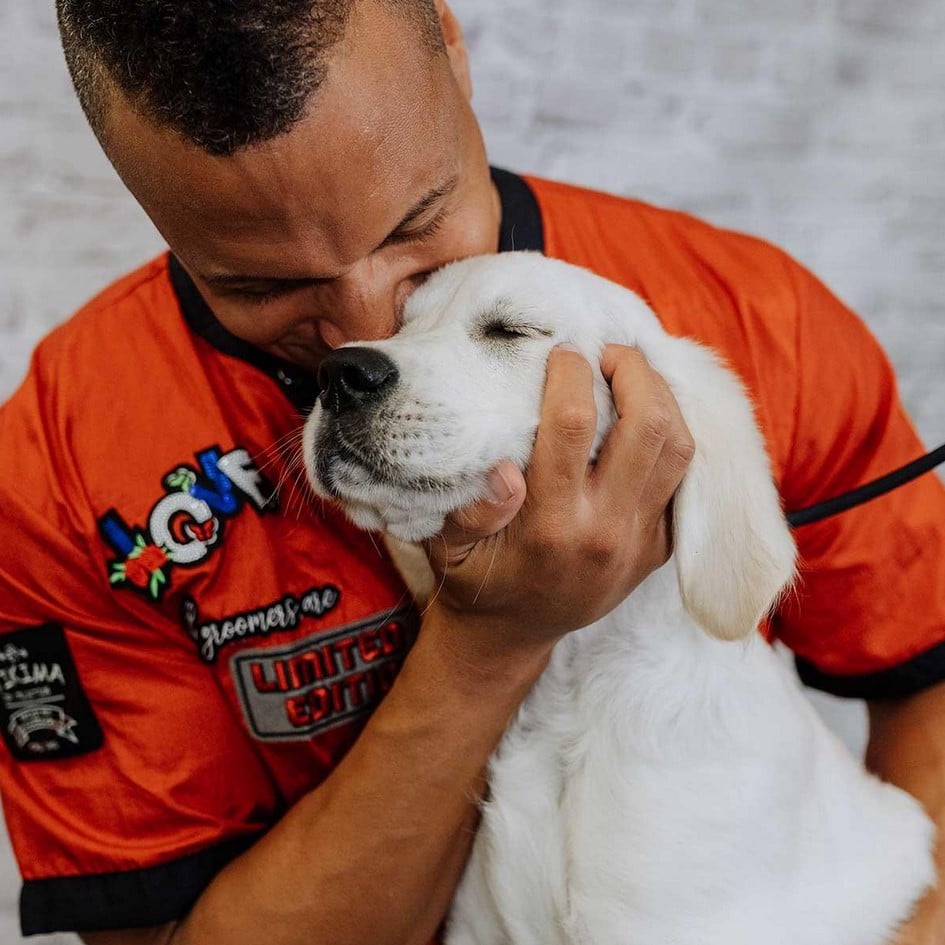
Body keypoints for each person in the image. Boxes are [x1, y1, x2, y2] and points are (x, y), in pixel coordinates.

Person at [0, 1, 943, 943]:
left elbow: (926, 685)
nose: (366, 331)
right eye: (262, 285)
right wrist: (485, 642)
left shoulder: (753, 319)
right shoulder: (59, 467)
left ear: (453, 47)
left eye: (417, 221)